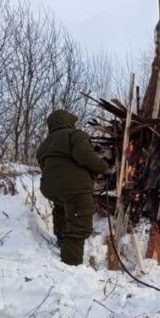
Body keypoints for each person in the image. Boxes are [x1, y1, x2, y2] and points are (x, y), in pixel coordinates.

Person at [36, 109, 110, 266]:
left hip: (50, 188)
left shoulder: (45, 144)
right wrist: (103, 167)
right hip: (75, 187)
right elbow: (85, 156)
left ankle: (61, 241)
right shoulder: (75, 135)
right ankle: (71, 264)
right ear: (68, 122)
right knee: (79, 224)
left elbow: (43, 165)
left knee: (62, 209)